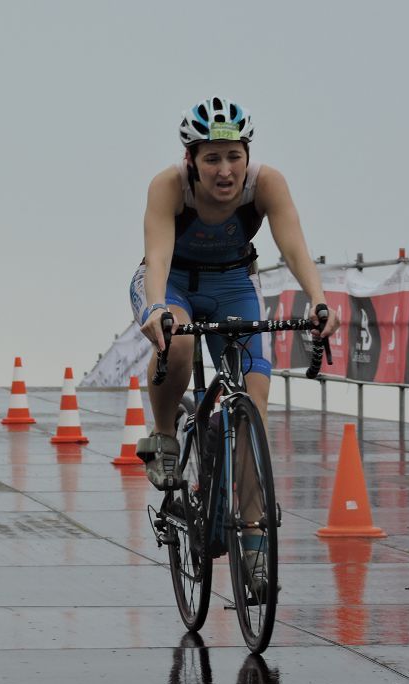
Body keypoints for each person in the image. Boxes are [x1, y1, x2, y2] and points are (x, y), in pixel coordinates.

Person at [133, 96, 339, 588]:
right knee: (177, 344)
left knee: (253, 411)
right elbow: (157, 256)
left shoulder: (266, 185)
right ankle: (163, 434)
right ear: (191, 161)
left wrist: (318, 300)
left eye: (233, 156)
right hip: (174, 284)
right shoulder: (169, 187)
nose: (224, 170)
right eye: (211, 158)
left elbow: (293, 246)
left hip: (232, 286)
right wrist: (157, 309)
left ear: (247, 156)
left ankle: (254, 544)